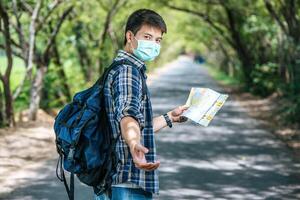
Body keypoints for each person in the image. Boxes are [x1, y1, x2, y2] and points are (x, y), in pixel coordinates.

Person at [94, 9, 188, 200]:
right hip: (127, 180)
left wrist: (170, 117)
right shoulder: (128, 72)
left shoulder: (118, 67)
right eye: (147, 37)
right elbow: (127, 116)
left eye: (158, 40)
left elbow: (137, 124)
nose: (153, 44)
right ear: (130, 36)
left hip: (114, 179)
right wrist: (134, 143)